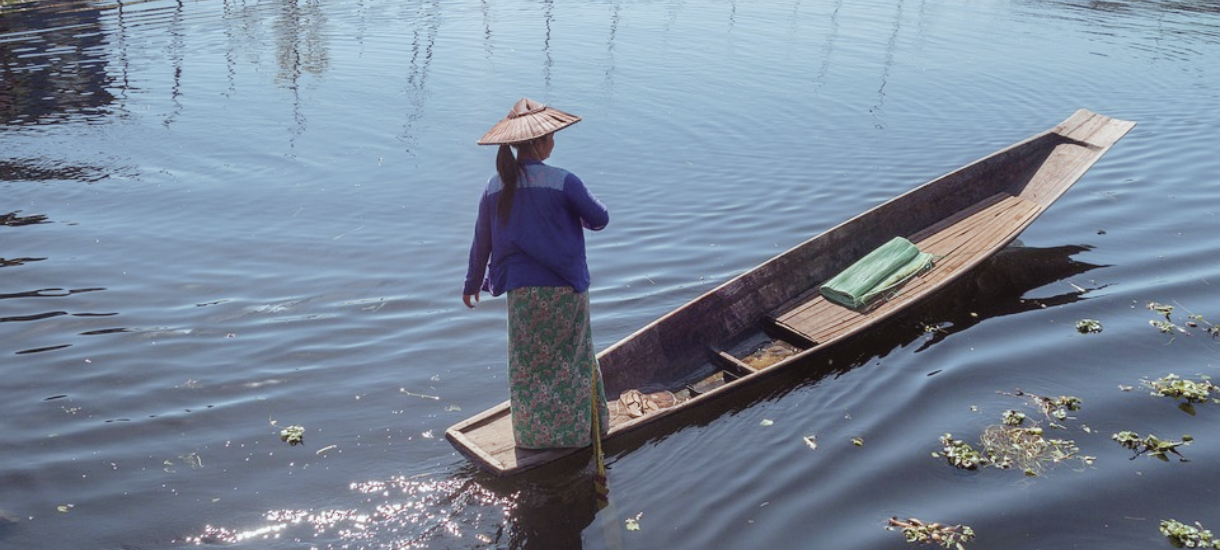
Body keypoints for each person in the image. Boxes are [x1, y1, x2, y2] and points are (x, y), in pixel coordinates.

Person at [462, 98, 610, 449]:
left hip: (522, 293)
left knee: (529, 364)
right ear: (540, 143)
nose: (554, 141)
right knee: (572, 359)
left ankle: (531, 437)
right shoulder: (563, 181)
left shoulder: (494, 187)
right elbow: (600, 218)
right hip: (564, 290)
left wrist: (471, 283)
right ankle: (579, 433)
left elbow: (481, 240)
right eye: (551, 136)